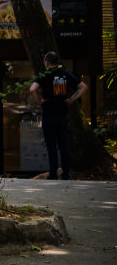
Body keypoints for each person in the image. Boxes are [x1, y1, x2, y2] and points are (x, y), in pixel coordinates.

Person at [28, 52, 87, 180]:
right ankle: (65, 173)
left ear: (47, 62)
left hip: (49, 114)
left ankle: (53, 173)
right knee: (63, 144)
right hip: (63, 113)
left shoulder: (43, 75)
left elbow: (32, 89)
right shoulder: (65, 74)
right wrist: (71, 99)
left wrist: (39, 102)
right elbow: (83, 87)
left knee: (51, 146)